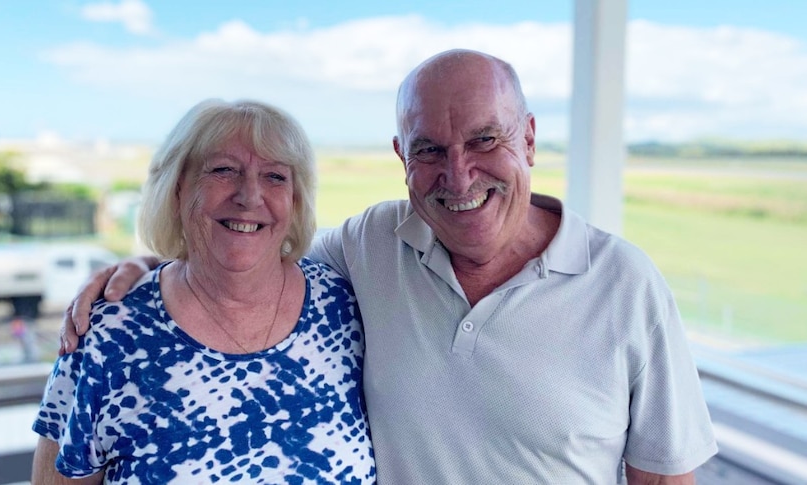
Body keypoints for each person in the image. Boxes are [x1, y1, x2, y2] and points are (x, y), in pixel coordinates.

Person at [62, 50, 718, 483]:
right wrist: (156, 266)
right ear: (402, 154)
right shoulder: (372, 243)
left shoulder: (625, 284)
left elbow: (665, 473)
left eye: (485, 139)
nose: (458, 175)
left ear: (529, 140)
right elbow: (249, 256)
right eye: (430, 148)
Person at [33, 99, 376, 484]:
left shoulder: (345, 309)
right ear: (178, 189)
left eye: (275, 177)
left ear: (295, 200)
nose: (249, 195)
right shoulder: (108, 333)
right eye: (224, 170)